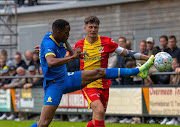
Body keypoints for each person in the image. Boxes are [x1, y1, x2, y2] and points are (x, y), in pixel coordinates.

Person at [31, 19, 154, 127]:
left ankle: (138, 70)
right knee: (43, 124)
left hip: (68, 78)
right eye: (66, 33)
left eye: (96, 27)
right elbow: (51, 62)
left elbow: (65, 42)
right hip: (54, 85)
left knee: (99, 73)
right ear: (58, 32)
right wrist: (73, 57)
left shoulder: (57, 37)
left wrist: (72, 52)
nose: (68, 35)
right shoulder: (50, 43)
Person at [74, 16, 153, 127]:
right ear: (85, 28)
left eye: (95, 27)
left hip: (104, 84)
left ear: (98, 28)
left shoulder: (106, 42)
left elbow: (126, 53)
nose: (93, 30)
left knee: (97, 118)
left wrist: (147, 58)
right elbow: (68, 57)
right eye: (90, 27)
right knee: (100, 111)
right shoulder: (79, 45)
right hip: (88, 83)